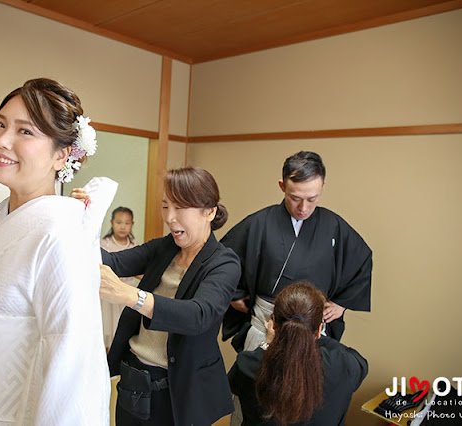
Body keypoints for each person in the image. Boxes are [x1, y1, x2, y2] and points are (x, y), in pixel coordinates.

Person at [0, 78, 115, 425]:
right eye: (0, 123)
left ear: (62, 154)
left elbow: (72, 363)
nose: (2, 140)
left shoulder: (61, 235)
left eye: (25, 132)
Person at [94, 167, 241, 425]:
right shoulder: (165, 247)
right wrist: (80, 220)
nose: (170, 218)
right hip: (134, 380)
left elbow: (198, 315)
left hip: (178, 391)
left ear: (210, 211)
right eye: (165, 207)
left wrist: (133, 296)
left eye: (180, 208)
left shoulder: (223, 263)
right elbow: (112, 261)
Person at [221, 151, 372, 353]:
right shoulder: (259, 223)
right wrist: (234, 294)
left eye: (312, 198)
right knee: (256, 381)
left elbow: (361, 259)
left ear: (322, 187)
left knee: (306, 382)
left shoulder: (333, 225)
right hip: (266, 323)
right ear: (282, 186)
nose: (303, 207)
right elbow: (225, 256)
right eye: (295, 198)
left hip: (311, 326)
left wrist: (341, 304)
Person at [228, 282, 368, 426]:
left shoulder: (247, 365)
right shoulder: (343, 364)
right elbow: (361, 364)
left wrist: (268, 344)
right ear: (319, 329)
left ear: (274, 324)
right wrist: (309, 336)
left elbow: (233, 384)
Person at [100, 207, 140, 347]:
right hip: (108, 290)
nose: (123, 226)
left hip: (128, 289)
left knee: (122, 325)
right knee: (108, 325)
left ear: (132, 224)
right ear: (111, 223)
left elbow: (139, 267)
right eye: (119, 222)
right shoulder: (104, 244)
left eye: (127, 223)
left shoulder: (134, 245)